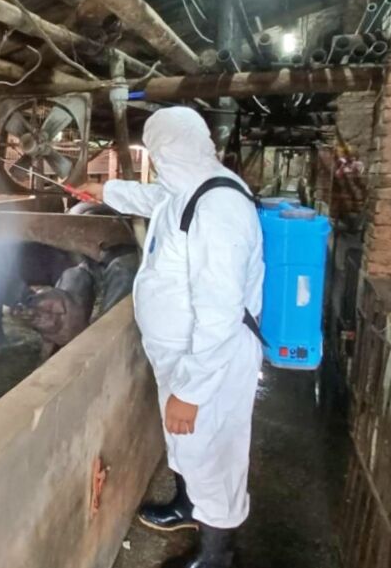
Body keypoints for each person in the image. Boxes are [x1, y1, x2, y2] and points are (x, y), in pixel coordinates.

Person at [80, 107, 264, 568]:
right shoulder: (187, 188)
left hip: (210, 361)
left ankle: (217, 555)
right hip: (181, 353)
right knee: (187, 442)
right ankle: (188, 506)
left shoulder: (219, 207)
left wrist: (191, 391)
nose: (156, 161)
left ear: (167, 150)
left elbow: (220, 316)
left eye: (155, 151)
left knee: (213, 455)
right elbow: (155, 199)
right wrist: (105, 192)